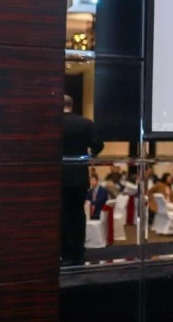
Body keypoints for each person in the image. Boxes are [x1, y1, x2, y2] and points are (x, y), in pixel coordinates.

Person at [61, 94, 103, 265]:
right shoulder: (86, 123)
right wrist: (89, 156)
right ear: (71, 105)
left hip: (58, 178)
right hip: (79, 176)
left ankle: (64, 253)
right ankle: (78, 252)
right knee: (78, 214)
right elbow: (98, 145)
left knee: (62, 215)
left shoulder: (53, 123)